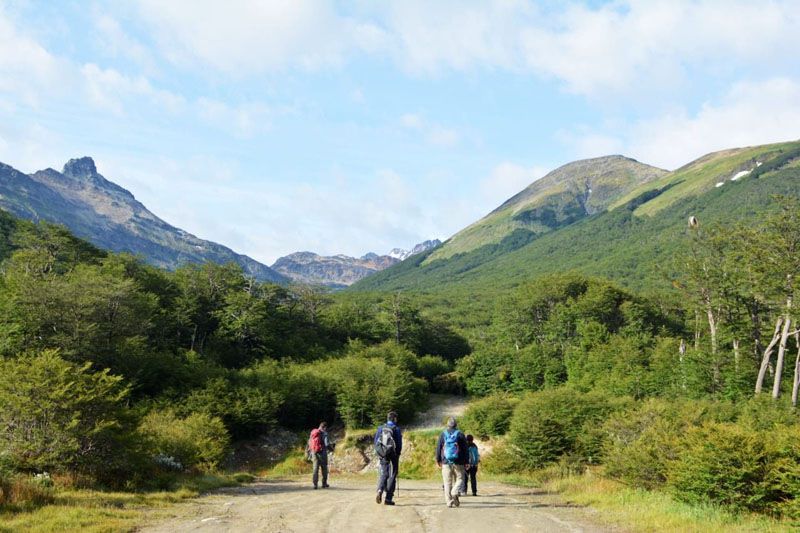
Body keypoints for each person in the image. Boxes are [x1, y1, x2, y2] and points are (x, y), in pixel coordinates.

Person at [435, 417, 468, 508]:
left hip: (446, 462)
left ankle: (449, 502)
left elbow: (438, 448)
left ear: (447, 425)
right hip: (459, 462)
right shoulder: (460, 434)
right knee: (460, 479)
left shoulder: (443, 434)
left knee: (447, 482)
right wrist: (467, 461)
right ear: (456, 425)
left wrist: (438, 460)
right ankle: (455, 492)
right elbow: (465, 449)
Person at [374, 411, 403, 506]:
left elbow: (376, 442)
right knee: (392, 474)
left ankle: (379, 490)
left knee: (384, 473)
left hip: (383, 454)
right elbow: (398, 443)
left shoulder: (381, 428)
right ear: (394, 418)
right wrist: (398, 453)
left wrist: (380, 452)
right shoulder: (396, 429)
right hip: (393, 454)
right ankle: (388, 499)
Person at [307, 421, 334, 489]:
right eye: (325, 428)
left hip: (314, 452)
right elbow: (327, 444)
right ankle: (324, 483)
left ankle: (315, 484)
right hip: (322, 452)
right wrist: (332, 449)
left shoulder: (313, 432)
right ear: (324, 427)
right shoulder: (324, 433)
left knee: (315, 468)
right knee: (324, 468)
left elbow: (309, 442)